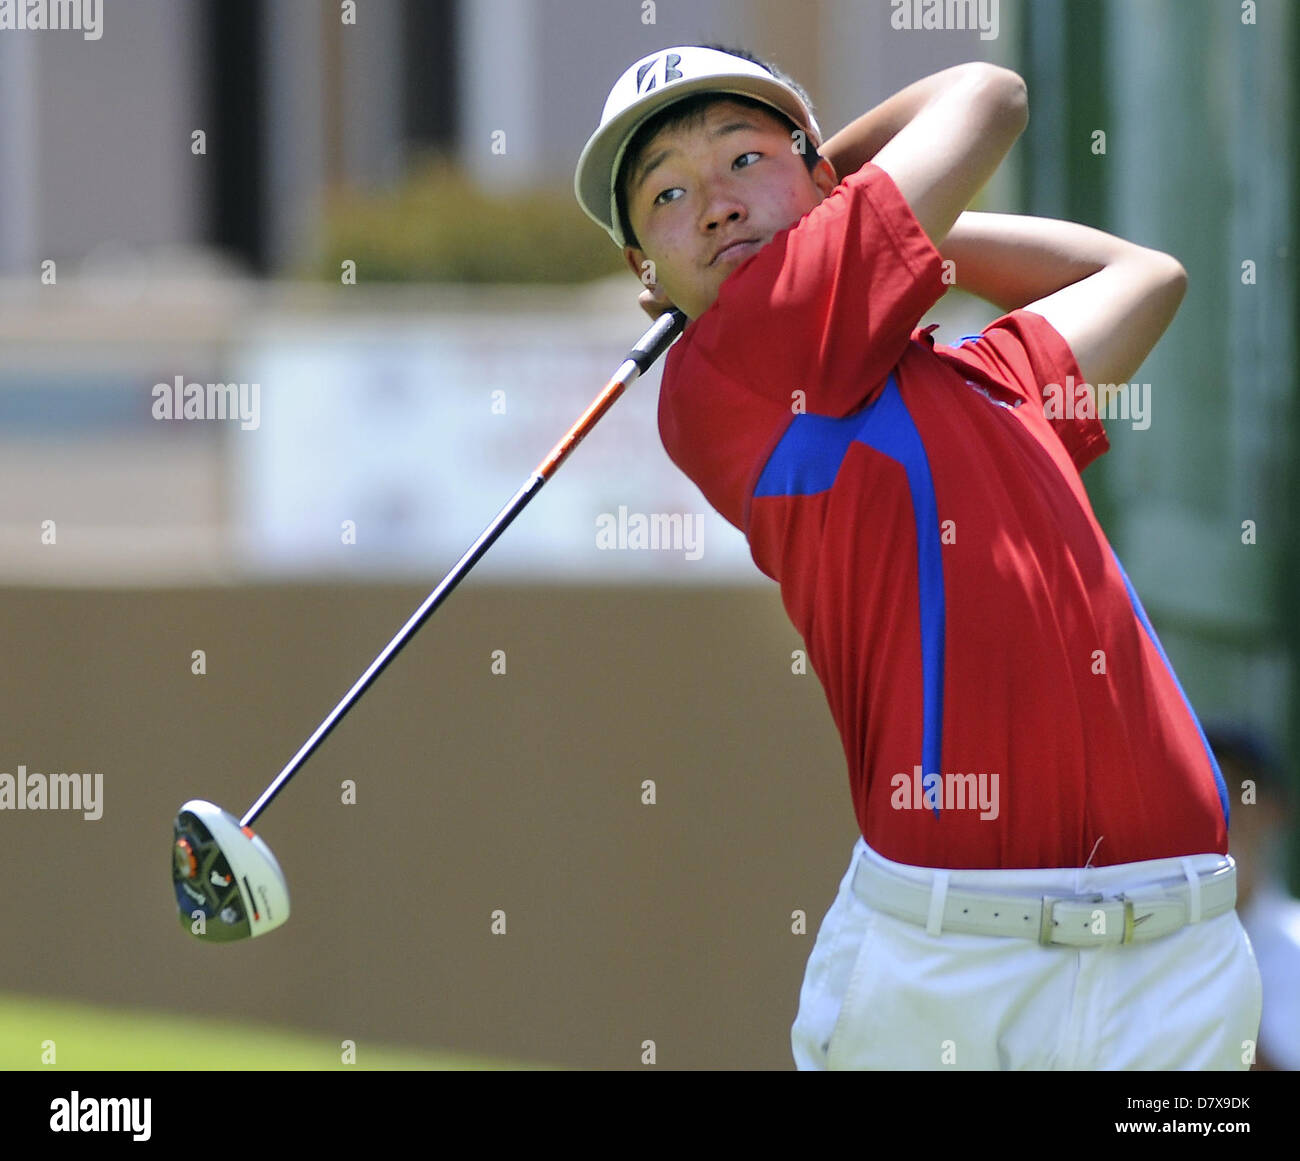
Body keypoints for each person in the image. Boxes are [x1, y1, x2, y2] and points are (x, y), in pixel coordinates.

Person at [574, 44, 1262, 1069]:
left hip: (1174, 960)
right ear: (649, 274)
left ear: (817, 182)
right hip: (949, 974)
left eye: (743, 161)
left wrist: (873, 212)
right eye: (667, 195)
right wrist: (832, 193)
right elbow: (987, 96)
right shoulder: (733, 363)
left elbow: (1140, 276)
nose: (714, 206)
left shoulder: (989, 384)